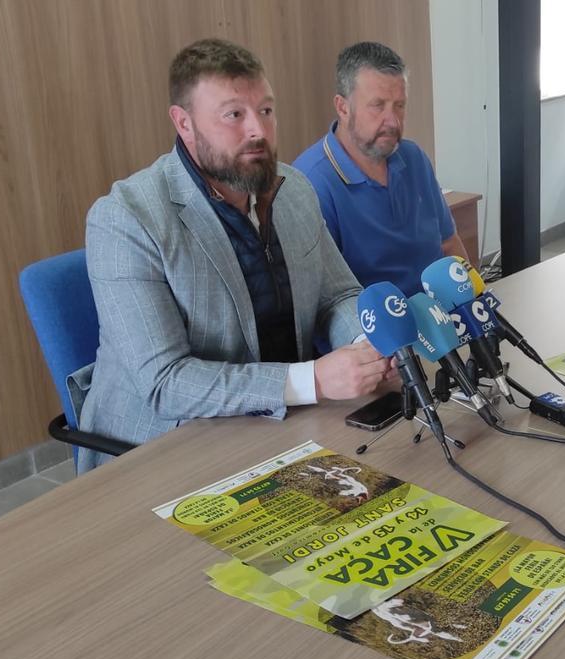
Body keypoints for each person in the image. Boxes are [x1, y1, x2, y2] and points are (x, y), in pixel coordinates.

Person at [74, 39, 393, 473]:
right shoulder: (127, 219)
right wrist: (312, 380)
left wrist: (366, 345)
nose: (258, 130)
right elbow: (165, 384)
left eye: (265, 110)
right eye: (234, 115)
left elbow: (337, 296)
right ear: (184, 123)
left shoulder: (294, 189)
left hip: (281, 427)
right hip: (158, 450)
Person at [294, 42, 469, 297]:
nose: (393, 121)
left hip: (441, 321)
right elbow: (324, 301)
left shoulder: (414, 158)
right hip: (375, 333)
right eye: (378, 105)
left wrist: (474, 306)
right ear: (343, 107)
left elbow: (448, 244)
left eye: (399, 105)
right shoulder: (310, 184)